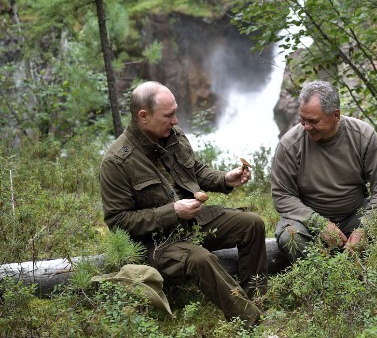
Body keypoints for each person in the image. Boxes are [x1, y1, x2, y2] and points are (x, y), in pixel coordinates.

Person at [99, 81, 267, 328]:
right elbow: (118, 222)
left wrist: (224, 179)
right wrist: (173, 212)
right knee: (200, 258)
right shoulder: (116, 162)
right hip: (156, 243)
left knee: (252, 223)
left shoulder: (172, 135)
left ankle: (254, 299)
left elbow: (194, 171)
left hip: (192, 223)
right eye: (169, 115)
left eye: (175, 112)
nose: (176, 120)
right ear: (143, 116)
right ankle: (251, 322)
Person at [271, 80, 377, 263]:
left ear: (336, 115)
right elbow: (282, 195)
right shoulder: (289, 145)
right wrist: (319, 224)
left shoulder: (363, 136)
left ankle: (373, 282)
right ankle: (323, 284)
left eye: (313, 121)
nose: (306, 127)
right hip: (308, 220)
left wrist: (365, 228)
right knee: (290, 237)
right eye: (302, 119)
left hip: (355, 214)